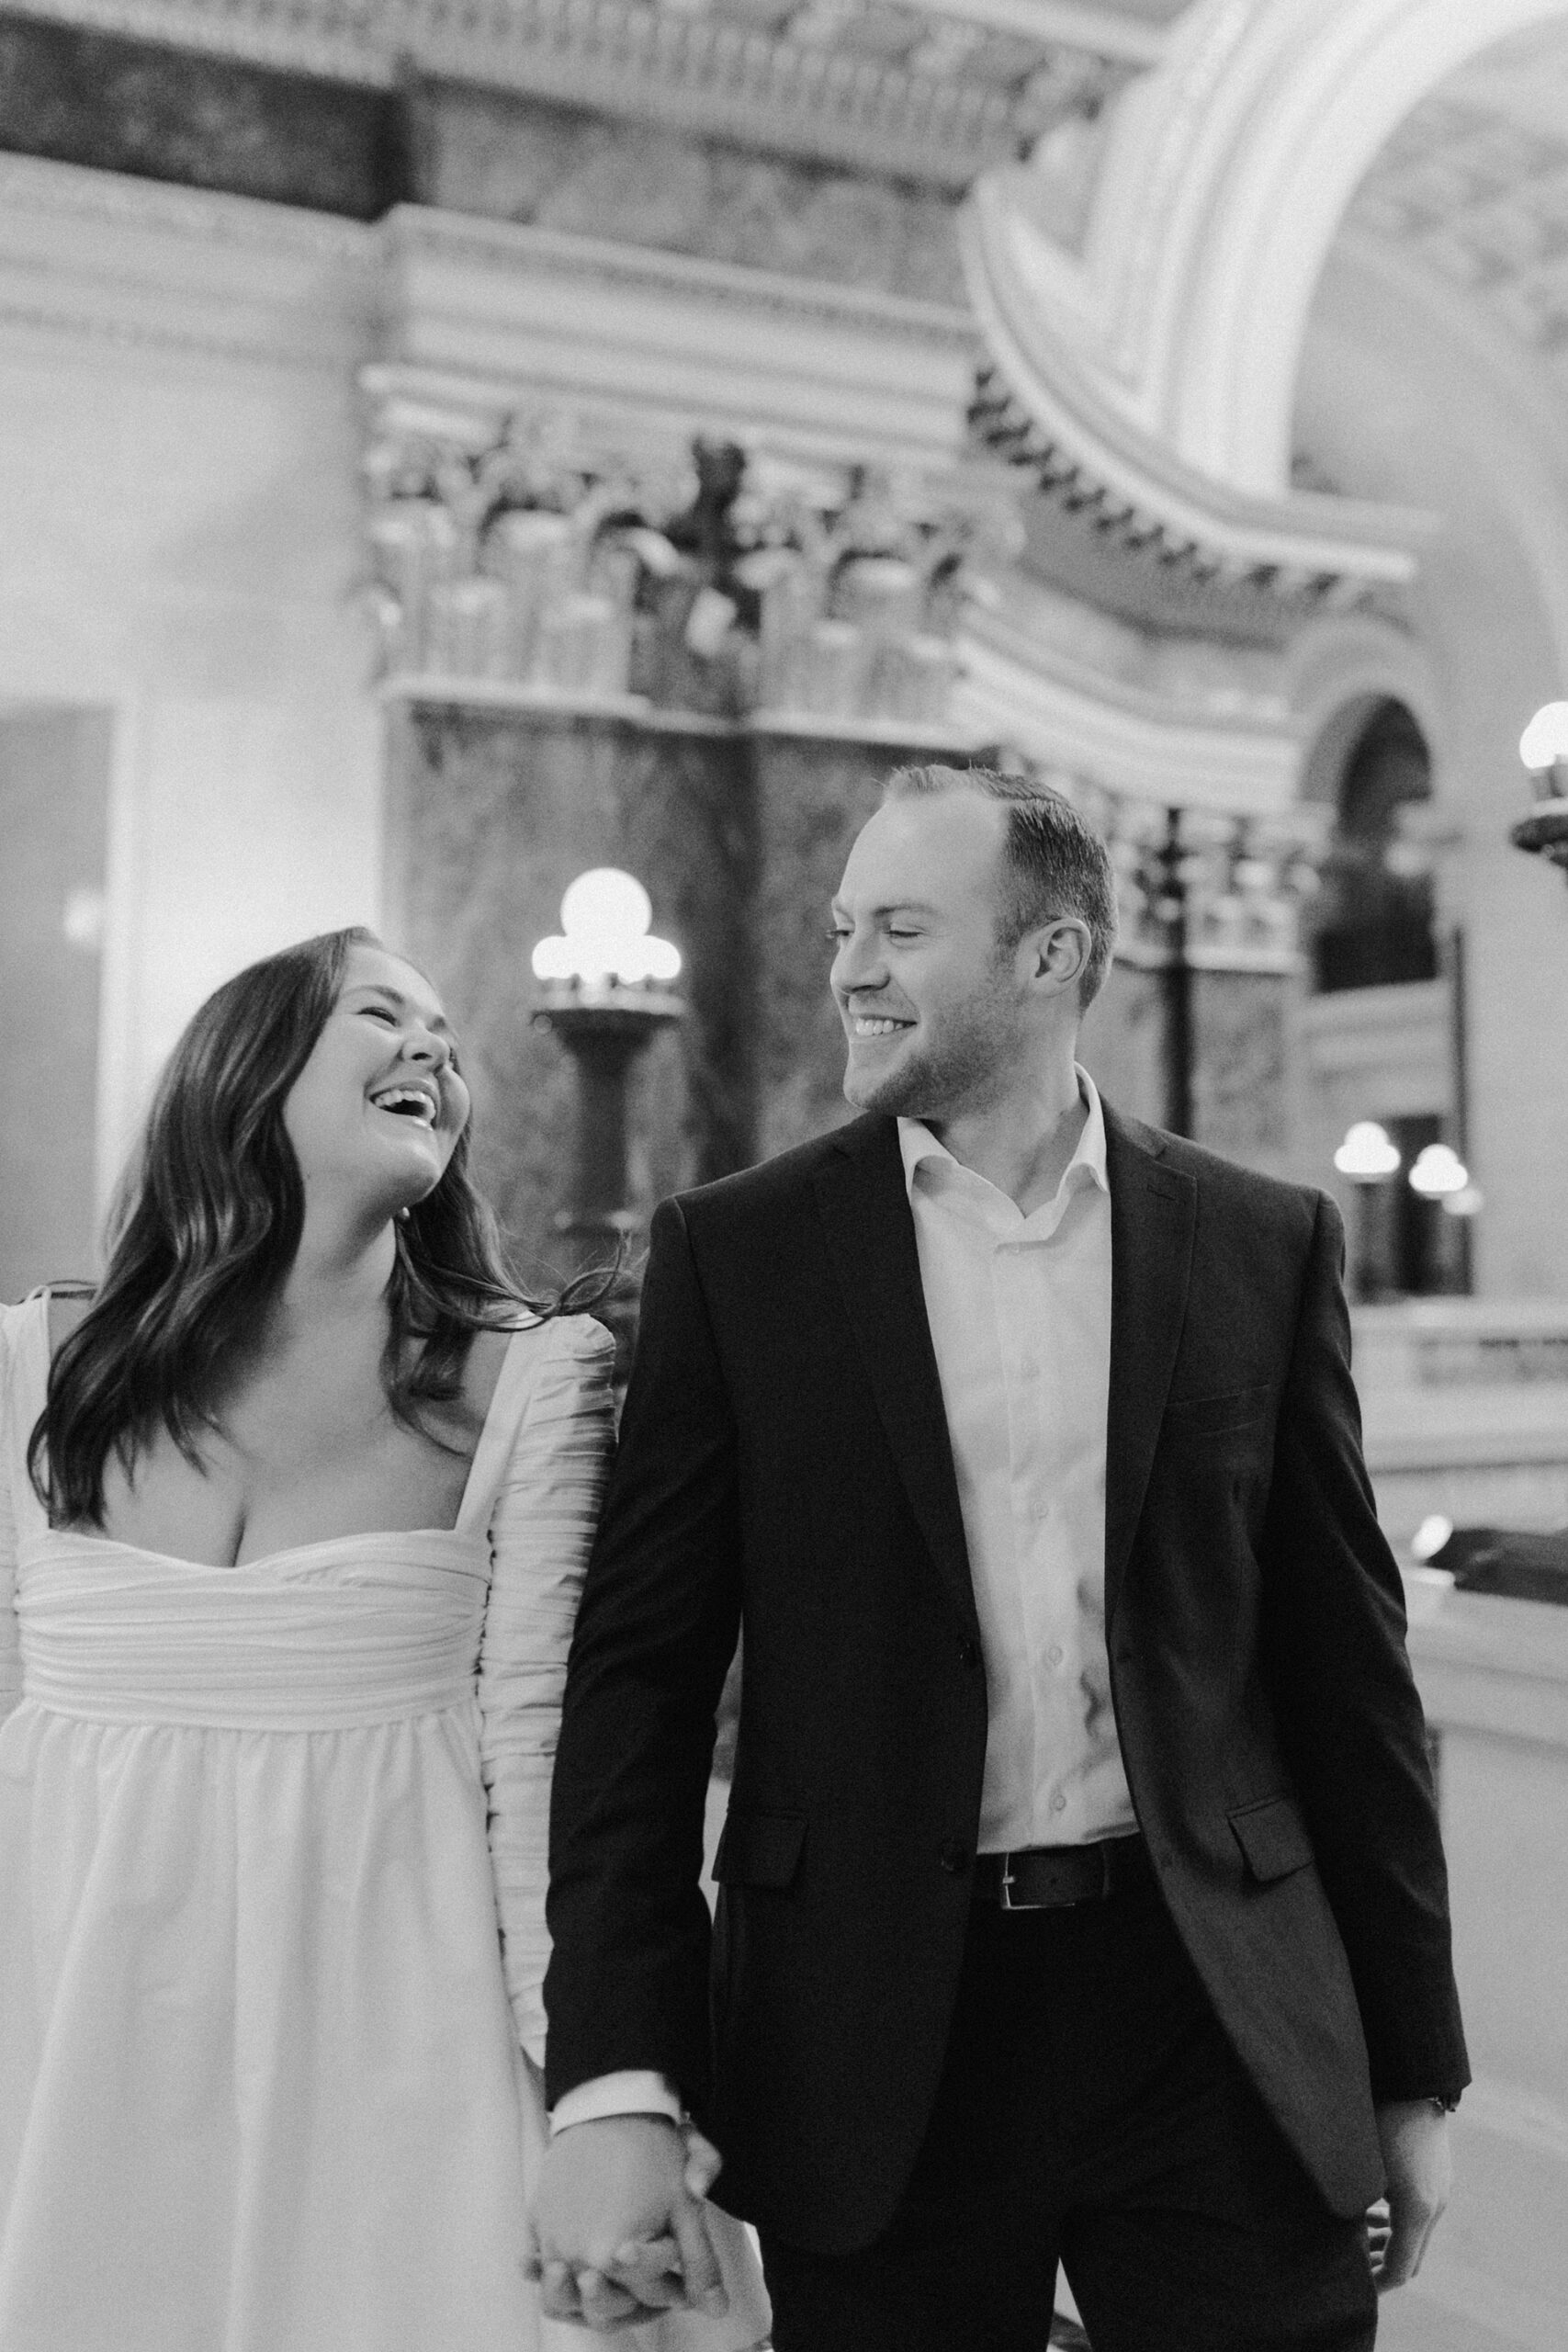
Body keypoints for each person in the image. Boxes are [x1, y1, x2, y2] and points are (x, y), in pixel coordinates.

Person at [534, 767, 1469, 2350]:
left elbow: (1346, 1675)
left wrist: (1411, 2065)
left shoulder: (1261, 1241)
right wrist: (614, 2078)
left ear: (1051, 959)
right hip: (874, 2027)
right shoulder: (737, 1257)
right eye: (842, 929)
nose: (848, 969)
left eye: (901, 928)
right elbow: (636, 1689)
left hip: (1215, 2015)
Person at [0, 926, 768, 2352]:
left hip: (392, 2013)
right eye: (380, 1015)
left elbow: (539, 1753)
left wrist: (596, 2095)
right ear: (244, 1070)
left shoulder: (530, 1379)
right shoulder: (28, 1365)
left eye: (449, 1041)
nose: (435, 1050)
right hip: (70, 2001)